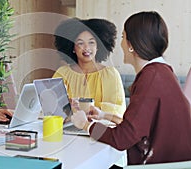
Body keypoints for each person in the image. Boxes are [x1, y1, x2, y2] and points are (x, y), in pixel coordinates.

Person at [71, 11, 191, 165]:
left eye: (123, 37)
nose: (121, 44)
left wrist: (85, 125)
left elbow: (122, 139)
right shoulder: (162, 71)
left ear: (132, 45)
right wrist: (104, 115)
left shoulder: (151, 78)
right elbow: (136, 127)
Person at [52, 18, 126, 122]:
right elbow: (52, 108)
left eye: (91, 42)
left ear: (98, 46)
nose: (86, 47)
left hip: (101, 130)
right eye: (80, 43)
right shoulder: (62, 73)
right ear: (73, 48)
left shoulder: (110, 74)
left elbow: (117, 111)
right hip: (67, 131)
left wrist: (87, 111)